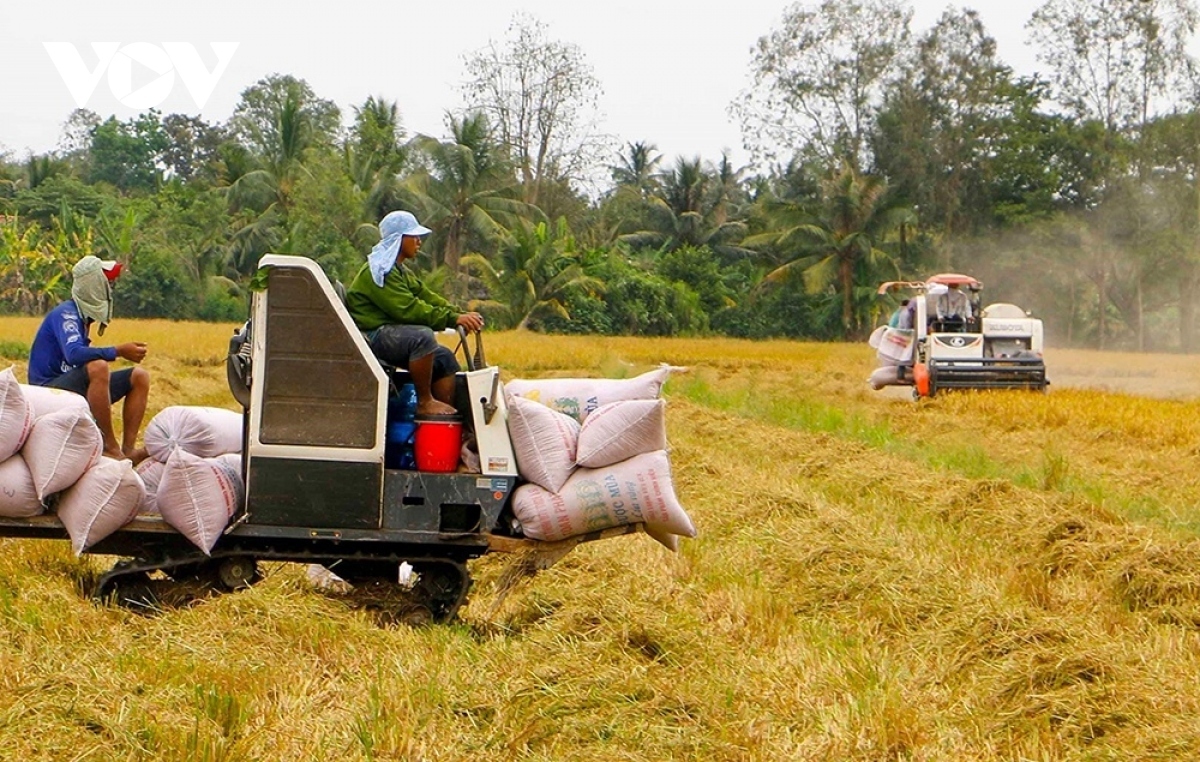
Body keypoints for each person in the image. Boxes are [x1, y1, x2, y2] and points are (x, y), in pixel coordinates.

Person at [345, 210, 484, 418]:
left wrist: (459, 313)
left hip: (388, 333)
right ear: (399, 239)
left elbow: (425, 296)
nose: (419, 242)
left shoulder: (399, 270)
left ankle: (445, 419)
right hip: (371, 336)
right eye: (414, 237)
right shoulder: (380, 271)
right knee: (422, 337)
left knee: (444, 357)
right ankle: (425, 402)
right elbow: (408, 309)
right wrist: (452, 319)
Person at [28, 255, 150, 462]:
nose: (110, 290)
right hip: (48, 390)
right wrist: (118, 351)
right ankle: (110, 447)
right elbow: (74, 354)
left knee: (139, 376)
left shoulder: (83, 319)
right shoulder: (67, 314)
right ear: (93, 287)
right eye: (107, 284)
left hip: (70, 386)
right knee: (98, 367)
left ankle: (128, 449)